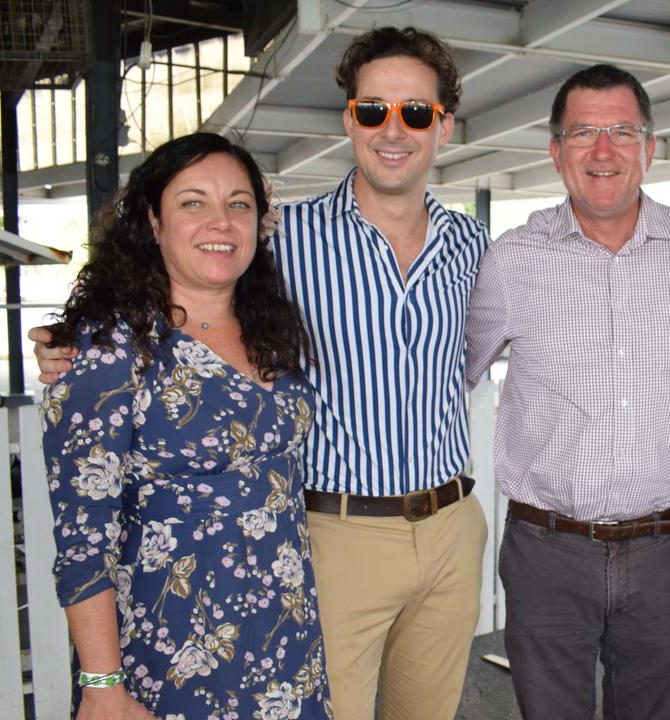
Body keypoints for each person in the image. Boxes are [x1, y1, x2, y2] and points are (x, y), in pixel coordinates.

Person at [33, 27, 489, 720]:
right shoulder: (282, 238)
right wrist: (73, 343)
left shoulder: (471, 244)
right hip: (336, 536)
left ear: (443, 125)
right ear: (350, 118)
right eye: (374, 110)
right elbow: (187, 270)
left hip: (453, 525)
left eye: (416, 112)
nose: (393, 129)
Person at [41, 132, 330, 719]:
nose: (219, 222)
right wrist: (102, 686)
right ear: (153, 221)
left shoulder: (272, 331)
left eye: (238, 204)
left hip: (284, 643)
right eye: (193, 202)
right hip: (169, 654)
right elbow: (82, 539)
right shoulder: (112, 350)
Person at [465, 63, 670, 719]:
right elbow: (448, 373)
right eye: (583, 133)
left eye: (621, 131)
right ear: (556, 152)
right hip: (547, 552)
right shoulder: (513, 259)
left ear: (649, 147)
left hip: (664, 550)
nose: (603, 151)